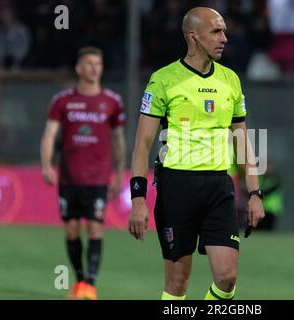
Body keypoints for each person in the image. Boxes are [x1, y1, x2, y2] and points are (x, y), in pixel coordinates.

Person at [128, 7, 265, 300]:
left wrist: (255, 193)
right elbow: (142, 143)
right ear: (194, 36)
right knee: (177, 284)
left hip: (219, 186)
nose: (225, 38)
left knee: (227, 279)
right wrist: (138, 199)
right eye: (216, 31)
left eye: (224, 31)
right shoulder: (164, 80)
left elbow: (242, 140)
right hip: (177, 186)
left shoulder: (231, 80)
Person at [40, 46, 126, 300]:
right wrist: (46, 163)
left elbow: (118, 140)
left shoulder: (112, 101)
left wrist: (120, 174)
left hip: (98, 177)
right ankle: (79, 281)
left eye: (97, 64)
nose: (94, 68)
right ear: (79, 68)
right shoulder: (63, 100)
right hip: (69, 176)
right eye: (88, 63)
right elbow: (49, 134)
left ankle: (90, 283)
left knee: (96, 228)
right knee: (72, 230)